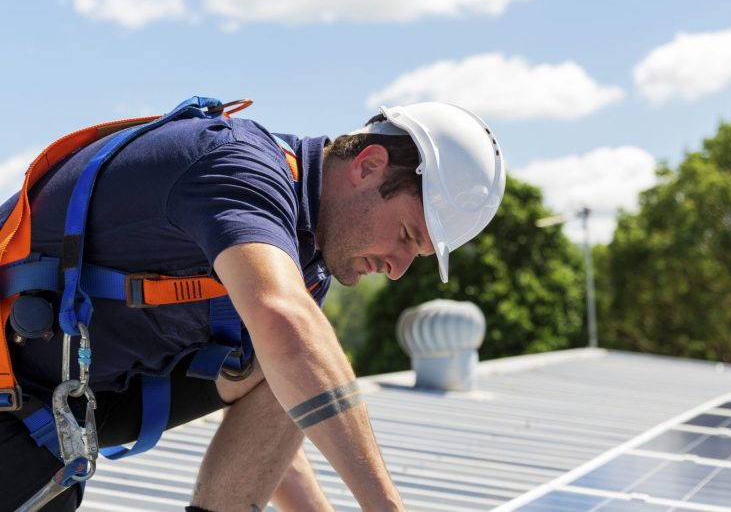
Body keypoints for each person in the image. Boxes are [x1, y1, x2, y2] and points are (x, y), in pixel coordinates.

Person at [0, 100, 506, 512]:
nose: (397, 268)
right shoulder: (236, 165)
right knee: (298, 346)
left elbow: (290, 399)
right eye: (405, 236)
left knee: (288, 365)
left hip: (65, 409)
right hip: (14, 401)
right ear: (369, 165)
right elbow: (285, 326)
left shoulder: (304, 264)